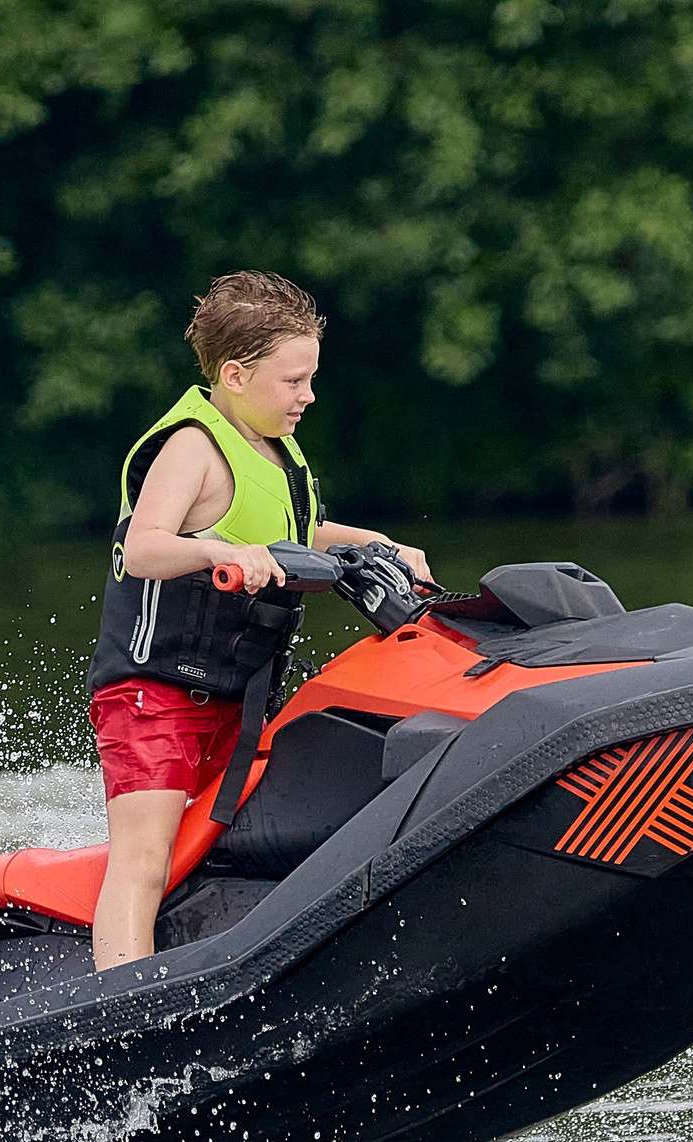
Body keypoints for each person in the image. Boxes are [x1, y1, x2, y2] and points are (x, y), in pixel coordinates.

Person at [88, 271, 431, 971]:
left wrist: (380, 544)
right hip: (152, 696)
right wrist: (220, 551)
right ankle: (123, 1005)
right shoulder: (194, 446)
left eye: (310, 379)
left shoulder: (277, 452)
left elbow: (307, 529)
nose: (308, 395)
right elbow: (144, 546)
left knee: (221, 858)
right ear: (237, 375)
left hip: (235, 703)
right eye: (294, 381)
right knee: (146, 860)